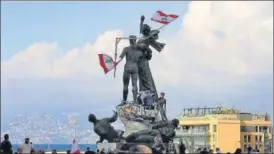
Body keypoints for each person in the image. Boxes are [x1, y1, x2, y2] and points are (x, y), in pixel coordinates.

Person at [117, 35, 142, 103]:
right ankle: (135, 100)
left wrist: (116, 61)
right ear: (135, 40)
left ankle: (124, 100)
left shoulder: (126, 49)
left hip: (127, 66)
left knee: (125, 85)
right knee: (134, 84)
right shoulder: (139, 51)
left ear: (129, 40)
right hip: (135, 67)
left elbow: (120, 57)